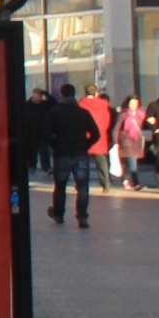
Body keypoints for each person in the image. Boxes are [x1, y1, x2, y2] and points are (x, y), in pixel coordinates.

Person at [46, 83, 99, 229]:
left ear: (62, 94)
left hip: (62, 153)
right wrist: (85, 145)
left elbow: (46, 133)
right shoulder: (83, 113)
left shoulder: (54, 112)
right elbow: (96, 134)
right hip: (80, 153)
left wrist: (55, 145)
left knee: (60, 186)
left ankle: (58, 213)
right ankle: (82, 216)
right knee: (82, 186)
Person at [80, 85, 114, 192]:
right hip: (100, 136)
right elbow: (107, 120)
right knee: (102, 162)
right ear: (96, 93)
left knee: (83, 163)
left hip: (85, 136)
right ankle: (106, 184)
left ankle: (82, 184)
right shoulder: (103, 104)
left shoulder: (81, 104)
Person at [115, 94, 148, 191]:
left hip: (136, 141)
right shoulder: (123, 114)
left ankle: (125, 181)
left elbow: (145, 124)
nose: (133, 105)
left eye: (135, 103)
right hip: (126, 141)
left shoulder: (141, 114)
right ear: (128, 103)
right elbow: (116, 128)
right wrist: (115, 142)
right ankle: (136, 183)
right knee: (132, 163)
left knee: (126, 163)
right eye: (131, 103)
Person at [21, 88, 52, 176]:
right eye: (38, 95)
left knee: (44, 151)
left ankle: (46, 167)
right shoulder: (27, 105)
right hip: (30, 132)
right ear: (33, 95)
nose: (39, 97)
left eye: (41, 96)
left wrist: (46, 94)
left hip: (43, 132)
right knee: (32, 151)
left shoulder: (45, 104)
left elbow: (53, 102)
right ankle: (32, 166)